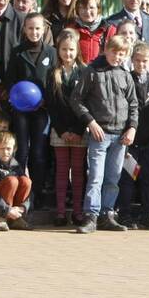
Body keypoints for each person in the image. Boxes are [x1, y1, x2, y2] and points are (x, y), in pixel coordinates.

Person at [72, 34, 138, 233]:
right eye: (114, 52)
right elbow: (76, 100)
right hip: (99, 134)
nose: (117, 57)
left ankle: (107, 214)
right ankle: (91, 214)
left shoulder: (126, 75)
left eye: (122, 54)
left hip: (121, 136)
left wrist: (132, 127)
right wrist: (90, 122)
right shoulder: (92, 72)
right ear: (106, 50)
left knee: (113, 177)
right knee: (95, 176)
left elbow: (134, 104)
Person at [6, 12, 56, 202]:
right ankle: (19, 194)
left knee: (39, 151)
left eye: (37, 28)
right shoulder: (17, 52)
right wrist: (17, 97)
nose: (34, 32)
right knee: (22, 151)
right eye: (30, 28)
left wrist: (47, 100)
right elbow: (10, 80)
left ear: (43, 30)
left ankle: (38, 194)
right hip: (21, 110)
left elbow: (54, 81)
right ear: (24, 29)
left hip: (42, 110)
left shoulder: (51, 52)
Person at [118, 42, 149, 229]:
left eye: (145, 61)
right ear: (132, 60)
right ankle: (125, 214)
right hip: (131, 140)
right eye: (137, 60)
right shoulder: (126, 79)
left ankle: (147, 213)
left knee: (148, 178)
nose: (141, 64)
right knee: (129, 178)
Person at [45, 29, 87, 226]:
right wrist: (63, 130)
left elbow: (87, 104)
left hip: (80, 130)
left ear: (76, 50)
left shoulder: (85, 71)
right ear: (58, 50)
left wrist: (78, 130)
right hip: (59, 130)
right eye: (63, 49)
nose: (67, 54)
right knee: (62, 171)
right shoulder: (52, 73)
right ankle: (61, 212)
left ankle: (78, 212)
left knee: (78, 172)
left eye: (71, 50)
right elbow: (52, 106)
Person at [66, 0, 105, 65]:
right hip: (78, 72)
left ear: (98, 9)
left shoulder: (107, 29)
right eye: (83, 8)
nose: (87, 12)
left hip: (101, 72)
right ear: (78, 10)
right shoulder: (71, 30)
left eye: (91, 8)